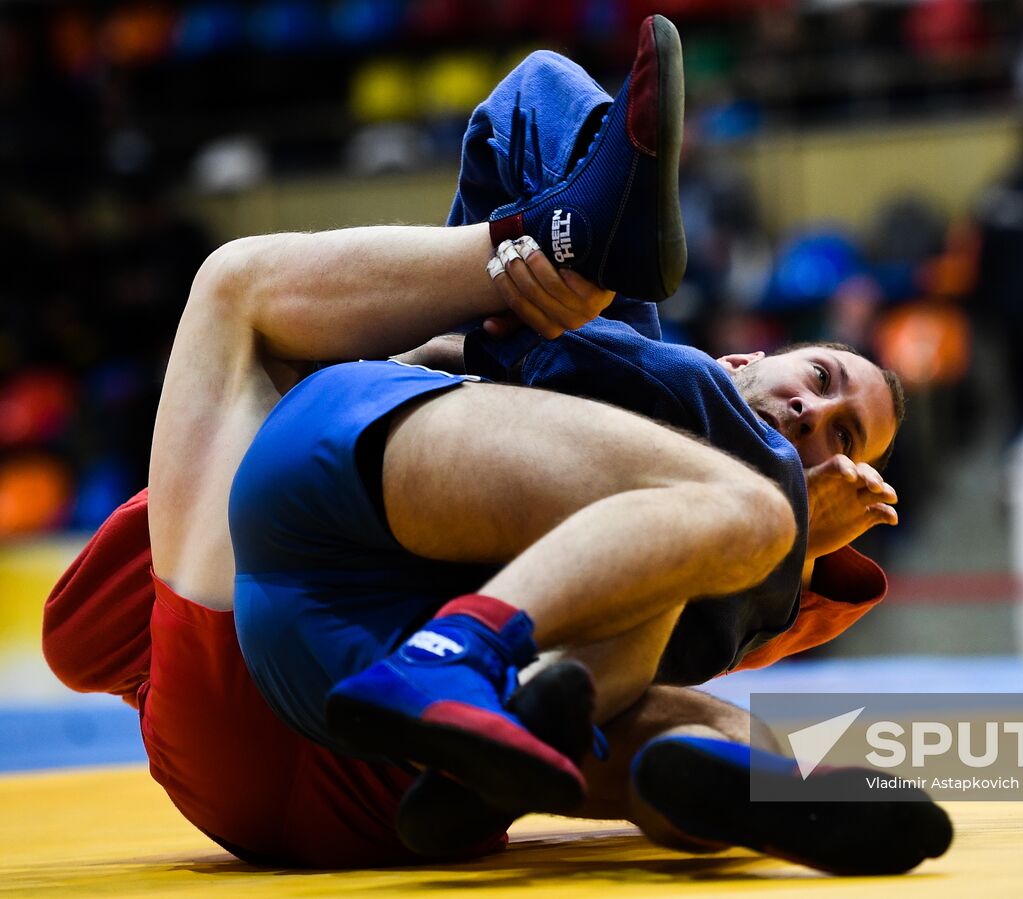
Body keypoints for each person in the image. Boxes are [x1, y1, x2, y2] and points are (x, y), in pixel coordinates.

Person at [44, 18, 948, 875]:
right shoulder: (673, 414)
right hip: (313, 673)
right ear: (749, 352)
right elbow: (81, 637)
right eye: (820, 383)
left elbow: (79, 639)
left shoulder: (720, 492)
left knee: (680, 684)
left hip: (344, 741)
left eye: (842, 438)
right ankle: (567, 245)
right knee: (708, 527)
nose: (809, 417)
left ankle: (735, 784)